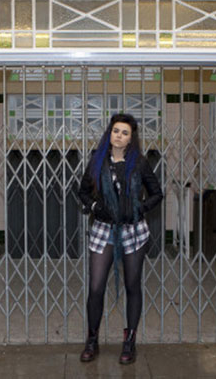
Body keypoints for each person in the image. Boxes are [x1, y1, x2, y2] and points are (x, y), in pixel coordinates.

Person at [77, 113, 163, 365]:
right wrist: (95, 207)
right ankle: (92, 341)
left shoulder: (140, 163)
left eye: (125, 132)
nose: (119, 135)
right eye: (116, 130)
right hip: (104, 228)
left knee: (132, 285)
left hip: (133, 231)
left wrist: (139, 209)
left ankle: (129, 343)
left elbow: (157, 193)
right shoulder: (97, 160)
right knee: (96, 287)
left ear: (130, 138)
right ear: (110, 133)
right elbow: (82, 191)